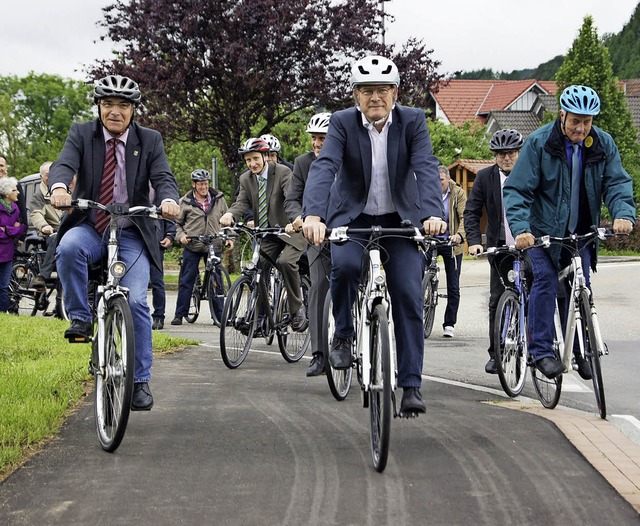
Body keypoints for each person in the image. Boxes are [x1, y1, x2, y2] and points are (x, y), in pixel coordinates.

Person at [302, 55, 446, 413]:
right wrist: (315, 214)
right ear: (356, 95)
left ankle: (411, 384)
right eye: (366, 91)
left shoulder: (413, 121)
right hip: (353, 217)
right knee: (346, 266)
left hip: (400, 220)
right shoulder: (342, 123)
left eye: (382, 89)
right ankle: (344, 333)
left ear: (395, 93)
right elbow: (325, 166)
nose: (375, 97)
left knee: (410, 294)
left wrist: (431, 213)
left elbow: (426, 166)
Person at [48, 74, 180, 411]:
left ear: (134, 109)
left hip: (131, 232)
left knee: (136, 302)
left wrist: (168, 200)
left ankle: (139, 381)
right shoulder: (82, 133)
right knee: (68, 248)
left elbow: (163, 177)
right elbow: (64, 164)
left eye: (123, 105)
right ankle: (80, 318)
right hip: (91, 225)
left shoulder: (150, 140)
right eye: (109, 104)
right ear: (99, 107)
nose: (116, 111)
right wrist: (59, 188)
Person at [504, 85, 635, 379]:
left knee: (580, 287)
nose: (581, 128)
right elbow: (517, 190)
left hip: (580, 233)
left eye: (587, 121)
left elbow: (616, 183)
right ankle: (541, 351)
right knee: (547, 281)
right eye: (575, 120)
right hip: (541, 234)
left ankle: (579, 350)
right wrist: (522, 229)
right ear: (562, 115)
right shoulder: (540, 144)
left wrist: (623, 213)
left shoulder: (602, 144)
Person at [220, 138, 308, 332]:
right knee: (257, 267)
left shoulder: (283, 172)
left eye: (255, 159)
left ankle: (297, 309)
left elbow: (290, 198)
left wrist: (296, 220)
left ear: (266, 157)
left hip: (291, 231)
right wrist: (229, 214)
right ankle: (260, 317)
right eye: (248, 160)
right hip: (267, 234)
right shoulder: (246, 179)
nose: (252, 164)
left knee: (285, 262)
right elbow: (241, 202)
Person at [464, 128, 524, 374]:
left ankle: (539, 346)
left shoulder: (530, 173)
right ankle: (496, 352)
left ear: (519, 153)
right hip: (499, 247)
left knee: (538, 293)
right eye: (500, 154)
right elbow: (472, 211)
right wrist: (475, 240)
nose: (506, 158)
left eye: (510, 153)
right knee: (496, 299)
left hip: (527, 244)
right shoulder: (485, 177)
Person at [285, 112, 333, 376]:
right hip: (316, 235)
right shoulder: (302, 163)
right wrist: (299, 218)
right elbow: (293, 198)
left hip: (348, 232)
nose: (317, 143)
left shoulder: (348, 159)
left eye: (323, 138)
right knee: (318, 289)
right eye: (314, 138)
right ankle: (318, 355)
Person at [171, 169, 230, 326]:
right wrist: (182, 236)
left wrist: (228, 237)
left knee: (217, 279)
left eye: (206, 183)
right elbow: (177, 224)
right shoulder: (185, 201)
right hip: (193, 244)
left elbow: (226, 220)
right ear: (194, 185)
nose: (204, 187)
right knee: (187, 279)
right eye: (200, 184)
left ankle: (219, 316)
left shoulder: (218, 199)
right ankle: (180, 314)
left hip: (213, 243)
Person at [427, 165, 466, 339]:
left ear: (448, 179)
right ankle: (420, 311)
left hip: (451, 243)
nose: (437, 183)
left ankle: (449, 324)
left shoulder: (458, 194)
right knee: (417, 275)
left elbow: (465, 216)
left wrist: (459, 235)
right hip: (431, 241)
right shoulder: (427, 192)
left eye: (440, 180)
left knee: (453, 285)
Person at [149, 189, 176, 330]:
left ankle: (159, 317)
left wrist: (170, 236)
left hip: (155, 245)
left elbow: (169, 218)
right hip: (135, 243)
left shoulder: (160, 192)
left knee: (157, 282)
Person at [28, 162, 58, 289]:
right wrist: (44, 226)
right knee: (58, 238)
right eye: (47, 174)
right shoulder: (38, 196)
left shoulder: (66, 190)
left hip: (69, 231)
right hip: (51, 233)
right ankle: (43, 275)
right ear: (41, 177)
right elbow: (36, 214)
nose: (50, 177)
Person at [0, 177, 27, 312]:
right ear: (6, 194)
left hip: (8, 254)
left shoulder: (15, 208)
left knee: (4, 286)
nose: (18, 192)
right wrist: (12, 230)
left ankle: (3, 313)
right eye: (14, 190)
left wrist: (7, 230)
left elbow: (21, 228)